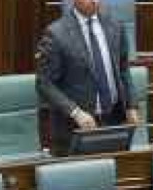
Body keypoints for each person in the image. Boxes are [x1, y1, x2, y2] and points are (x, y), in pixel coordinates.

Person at [36, 0, 140, 156]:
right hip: (76, 127)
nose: (95, 1)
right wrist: (75, 112)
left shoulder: (115, 25)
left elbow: (123, 68)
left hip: (114, 120)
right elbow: (44, 83)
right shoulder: (56, 33)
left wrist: (131, 105)